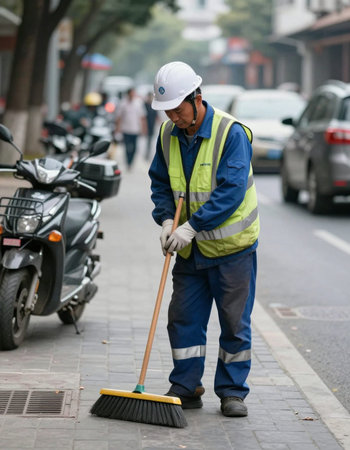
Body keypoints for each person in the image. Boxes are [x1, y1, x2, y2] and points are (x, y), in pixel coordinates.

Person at [148, 61, 260, 417]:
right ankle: (186, 385)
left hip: (232, 250)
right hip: (190, 254)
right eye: (167, 110)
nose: (173, 117)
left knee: (234, 323)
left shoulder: (232, 134)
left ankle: (232, 392)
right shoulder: (167, 135)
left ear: (197, 98)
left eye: (178, 109)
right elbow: (160, 182)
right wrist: (167, 219)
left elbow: (231, 191)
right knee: (183, 318)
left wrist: (191, 227)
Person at [115, 87, 147, 170]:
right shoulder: (123, 103)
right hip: (126, 129)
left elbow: (142, 117)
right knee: (127, 147)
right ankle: (128, 162)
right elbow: (119, 117)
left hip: (135, 129)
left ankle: (131, 162)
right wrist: (117, 129)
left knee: (134, 147)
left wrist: (143, 128)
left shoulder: (138, 103)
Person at [144, 91, 158, 161]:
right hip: (146, 125)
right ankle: (146, 153)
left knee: (150, 140)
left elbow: (156, 116)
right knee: (146, 140)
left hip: (152, 126)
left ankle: (148, 154)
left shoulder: (153, 106)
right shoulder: (145, 105)